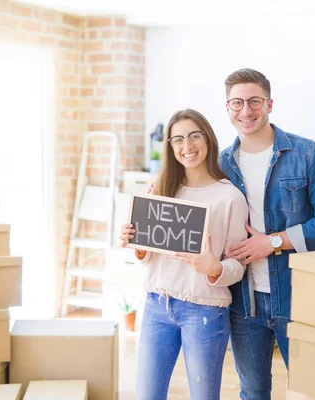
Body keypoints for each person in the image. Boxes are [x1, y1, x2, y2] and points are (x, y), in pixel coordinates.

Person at [218, 68, 315, 399]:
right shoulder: (221, 165)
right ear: (227, 108)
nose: (246, 111)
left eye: (255, 101)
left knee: (311, 390)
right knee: (253, 392)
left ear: (270, 103)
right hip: (244, 301)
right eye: (237, 103)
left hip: (299, 295)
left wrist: (272, 243)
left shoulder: (307, 154)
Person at [119, 109, 249, 400]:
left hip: (203, 312)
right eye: (177, 140)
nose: (186, 146)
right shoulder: (160, 189)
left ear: (208, 138)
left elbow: (238, 266)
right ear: (170, 146)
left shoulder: (230, 197)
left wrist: (213, 267)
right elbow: (149, 255)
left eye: (194, 136)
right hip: (157, 305)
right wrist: (136, 243)